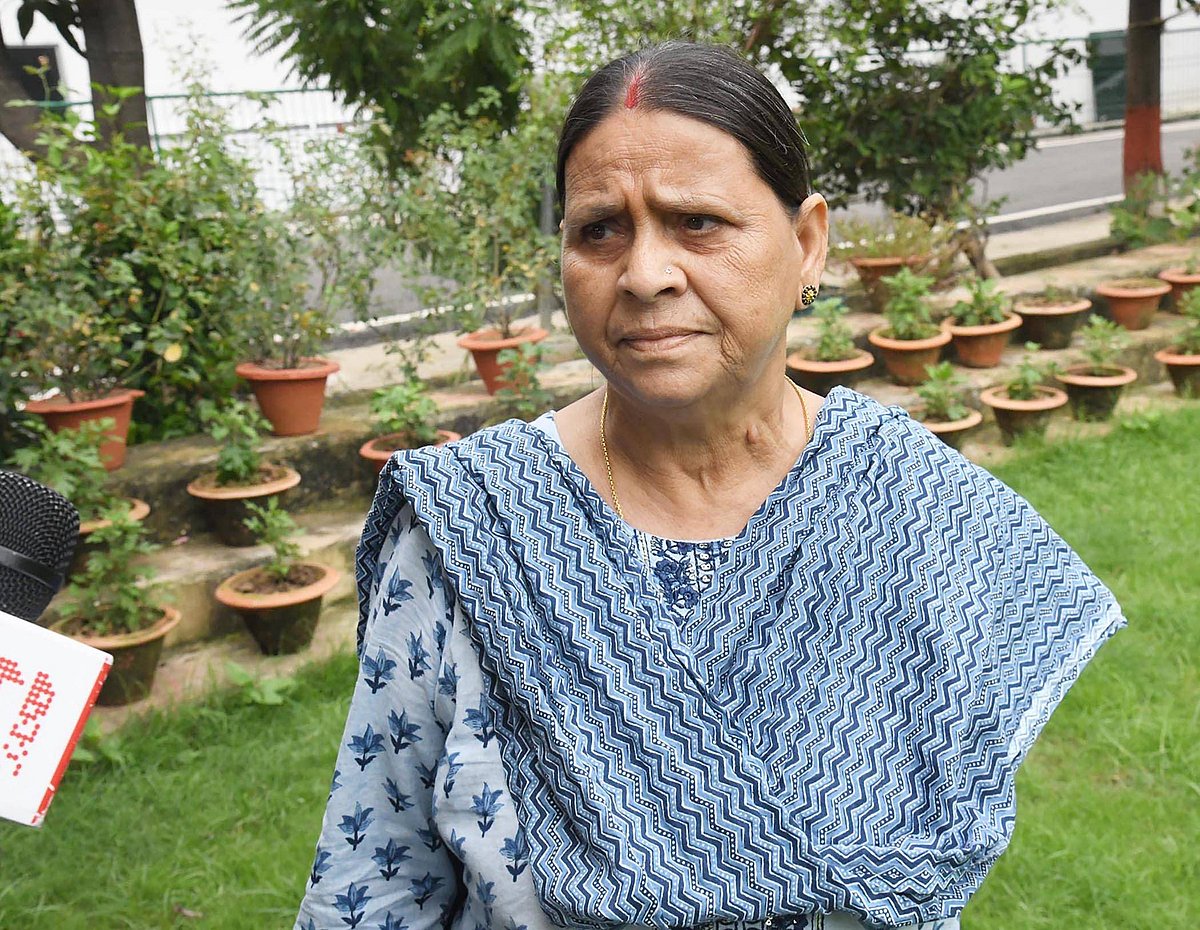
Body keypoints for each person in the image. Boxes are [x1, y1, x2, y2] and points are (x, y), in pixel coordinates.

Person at [294, 41, 1126, 930]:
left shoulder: (926, 516)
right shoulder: (469, 531)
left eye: (697, 222)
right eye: (599, 230)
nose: (645, 274)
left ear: (807, 244)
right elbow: (374, 889)